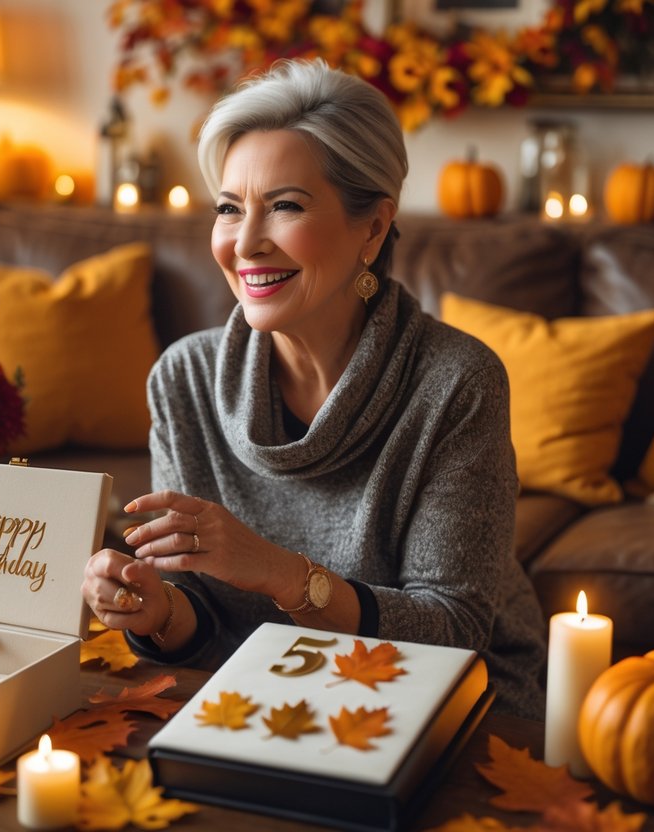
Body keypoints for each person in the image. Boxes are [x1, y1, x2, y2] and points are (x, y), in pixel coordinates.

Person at [81, 58, 546, 718]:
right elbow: (200, 618)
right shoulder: (183, 379)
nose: (244, 244)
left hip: (441, 701)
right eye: (229, 209)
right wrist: (157, 613)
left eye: (285, 207)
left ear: (373, 228)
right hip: (253, 692)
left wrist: (279, 573)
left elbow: (453, 631)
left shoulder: (455, 382)